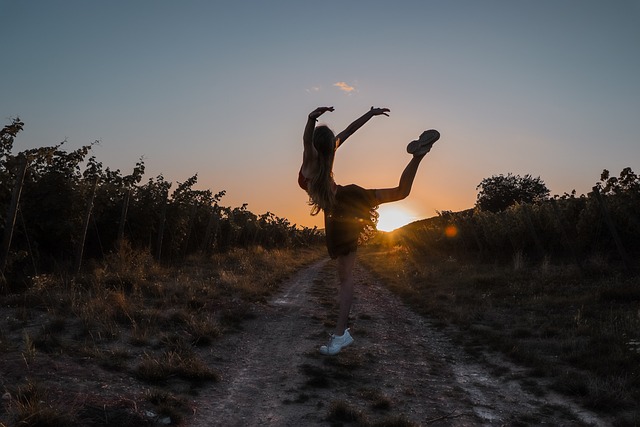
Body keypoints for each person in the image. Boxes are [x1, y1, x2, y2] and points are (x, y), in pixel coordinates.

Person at [299, 106, 439, 356]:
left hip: (339, 213)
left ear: (315, 145)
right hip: (349, 198)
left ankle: (341, 335)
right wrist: (370, 113)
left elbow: (308, 139)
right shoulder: (329, 153)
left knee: (345, 279)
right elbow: (349, 130)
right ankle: (418, 156)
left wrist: (311, 118)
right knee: (400, 192)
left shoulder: (311, 161)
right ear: (331, 144)